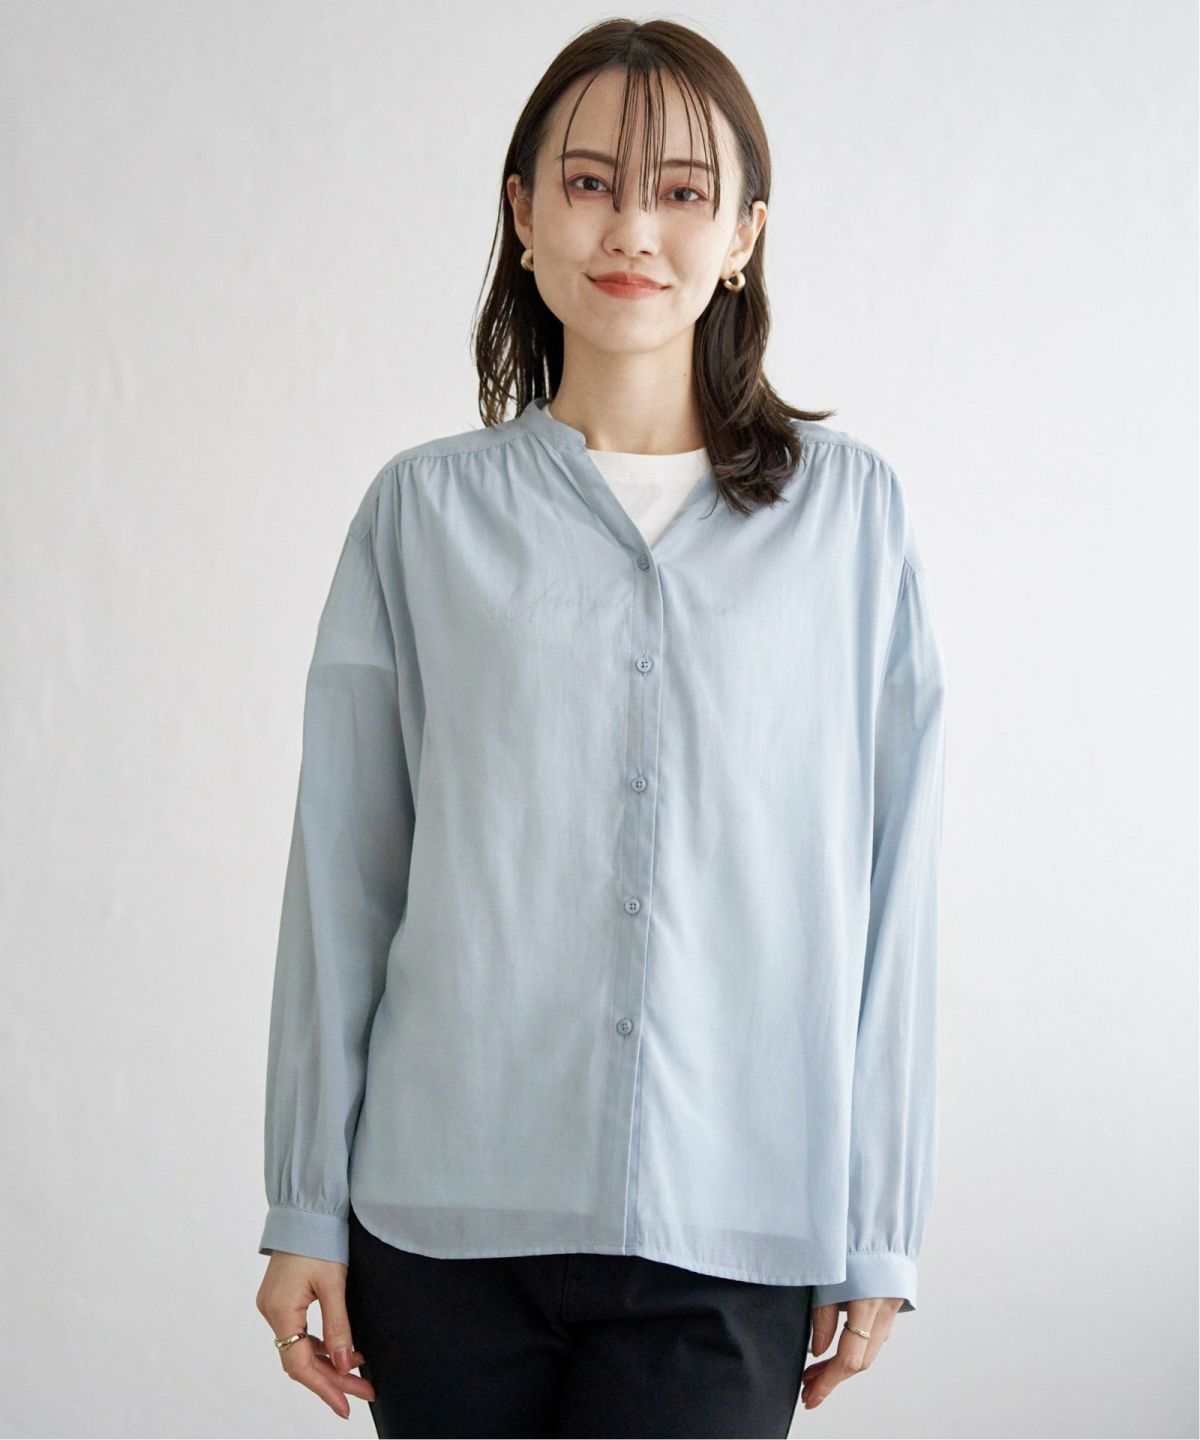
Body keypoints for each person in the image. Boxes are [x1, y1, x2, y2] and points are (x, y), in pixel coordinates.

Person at [254, 18, 948, 1439]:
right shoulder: (422, 514)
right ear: (522, 214)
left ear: (745, 233)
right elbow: (344, 876)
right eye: (587, 183)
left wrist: (879, 1224)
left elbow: (896, 891)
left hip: (735, 1225)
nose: (632, 227)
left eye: (683, 191)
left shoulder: (853, 521)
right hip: (439, 1230)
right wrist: (304, 1201)